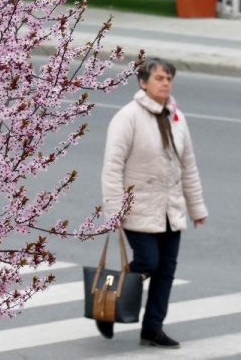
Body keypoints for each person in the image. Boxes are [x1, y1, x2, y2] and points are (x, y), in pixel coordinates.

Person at [100, 57, 208, 348]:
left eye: (169, 79)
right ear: (143, 82)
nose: (165, 83)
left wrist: (196, 208)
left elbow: (188, 166)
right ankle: (107, 303)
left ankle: (153, 328)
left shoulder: (176, 117)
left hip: (170, 211)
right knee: (148, 261)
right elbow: (112, 167)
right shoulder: (128, 117)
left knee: (166, 271)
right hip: (137, 209)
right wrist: (115, 210)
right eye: (159, 78)